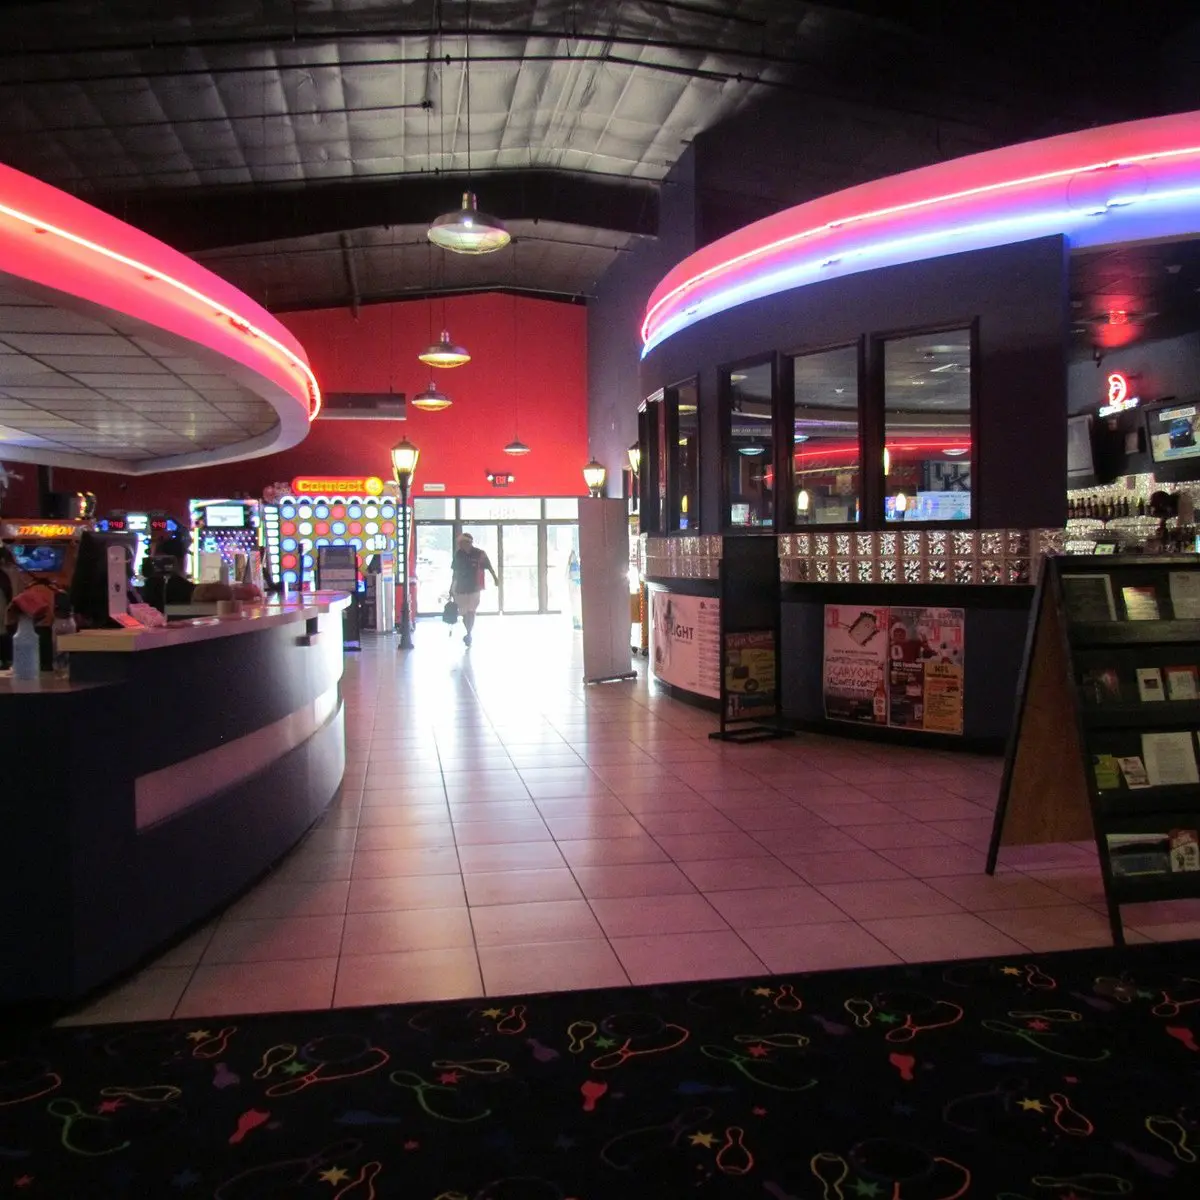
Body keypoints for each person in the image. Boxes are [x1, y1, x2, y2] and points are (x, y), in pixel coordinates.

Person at [449, 532, 498, 646]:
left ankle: (469, 633)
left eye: (462, 543)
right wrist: (451, 587)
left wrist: (495, 578)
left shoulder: (480, 554)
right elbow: (455, 572)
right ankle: (468, 632)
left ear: (468, 543)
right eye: (459, 543)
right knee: (464, 613)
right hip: (460, 588)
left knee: (471, 611)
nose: (460, 545)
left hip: (475, 587)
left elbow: (489, 566)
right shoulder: (458, 554)